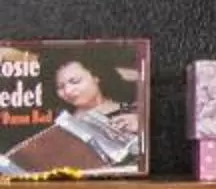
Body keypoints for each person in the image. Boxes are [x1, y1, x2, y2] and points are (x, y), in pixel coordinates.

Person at [0, 54, 143, 175]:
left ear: (96, 77)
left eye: (75, 81)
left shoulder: (133, 111)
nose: (68, 91)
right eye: (60, 87)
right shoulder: (55, 120)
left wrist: (141, 123)